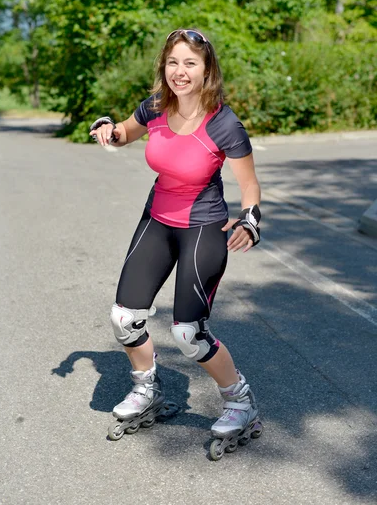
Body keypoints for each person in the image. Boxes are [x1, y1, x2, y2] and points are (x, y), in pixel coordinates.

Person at [89, 28, 263, 459]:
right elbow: (123, 135)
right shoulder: (154, 107)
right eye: (172, 63)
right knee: (124, 317)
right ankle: (146, 388)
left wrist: (251, 221)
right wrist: (108, 130)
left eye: (190, 63)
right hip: (157, 220)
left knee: (189, 334)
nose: (179, 72)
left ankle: (240, 401)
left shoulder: (224, 124)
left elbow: (251, 187)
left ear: (207, 71)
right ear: (163, 67)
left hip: (203, 227)